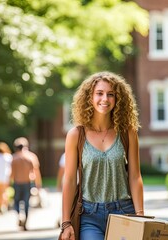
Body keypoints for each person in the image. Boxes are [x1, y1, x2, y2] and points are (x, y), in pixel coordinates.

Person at [60, 71, 144, 240]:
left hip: (124, 212)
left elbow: (135, 176)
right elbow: (69, 179)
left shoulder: (128, 132)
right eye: (99, 93)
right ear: (89, 97)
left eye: (110, 94)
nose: (105, 99)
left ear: (118, 99)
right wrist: (66, 223)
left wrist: (140, 214)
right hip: (90, 216)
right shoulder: (76, 135)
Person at [11, 137, 42, 230]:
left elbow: (11, 173)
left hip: (17, 182)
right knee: (26, 203)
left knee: (16, 202)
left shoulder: (14, 158)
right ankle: (26, 221)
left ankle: (19, 214)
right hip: (28, 182)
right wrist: (38, 184)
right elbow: (36, 172)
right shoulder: (31, 157)